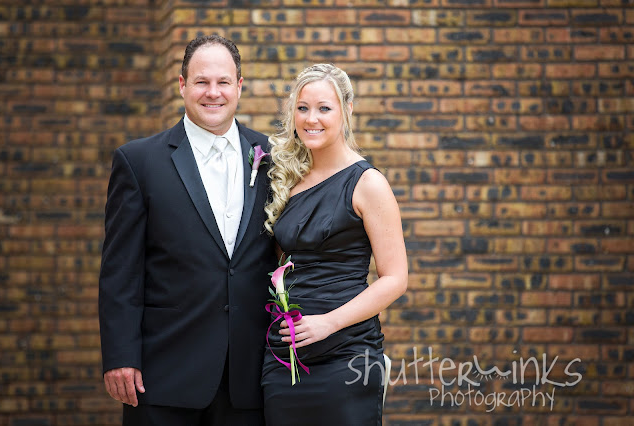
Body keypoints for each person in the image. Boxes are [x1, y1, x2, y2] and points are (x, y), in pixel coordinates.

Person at [99, 34, 275, 425]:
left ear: (239, 86)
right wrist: (120, 355)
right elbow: (120, 271)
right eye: (201, 82)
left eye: (223, 82)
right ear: (182, 85)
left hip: (250, 378)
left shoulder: (272, 158)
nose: (213, 92)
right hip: (164, 373)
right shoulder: (139, 161)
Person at [261, 63, 408, 425]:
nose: (311, 119)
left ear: (347, 110)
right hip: (284, 360)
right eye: (303, 108)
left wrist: (329, 323)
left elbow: (395, 279)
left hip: (346, 356)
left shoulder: (368, 183)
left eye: (324, 108)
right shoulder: (288, 180)